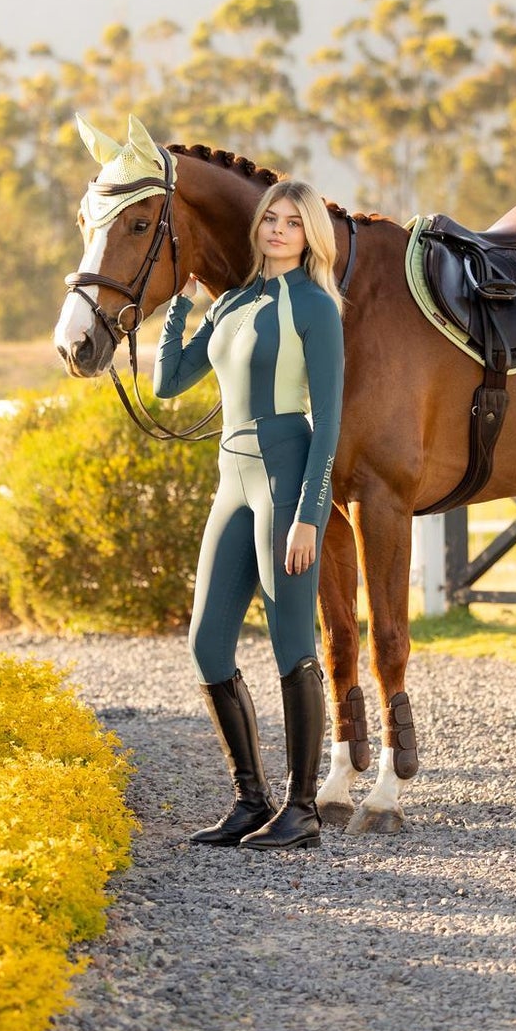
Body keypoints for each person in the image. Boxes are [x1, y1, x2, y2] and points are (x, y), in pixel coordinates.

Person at [153, 178, 345, 851]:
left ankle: (302, 809)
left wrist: (309, 513)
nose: (278, 230)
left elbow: (329, 420)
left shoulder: (315, 306)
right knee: (206, 642)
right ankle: (249, 799)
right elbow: (168, 381)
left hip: (285, 476)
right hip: (231, 478)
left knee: (293, 641)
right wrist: (180, 307)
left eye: (293, 222)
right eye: (272, 218)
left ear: (309, 235)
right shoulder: (233, 301)